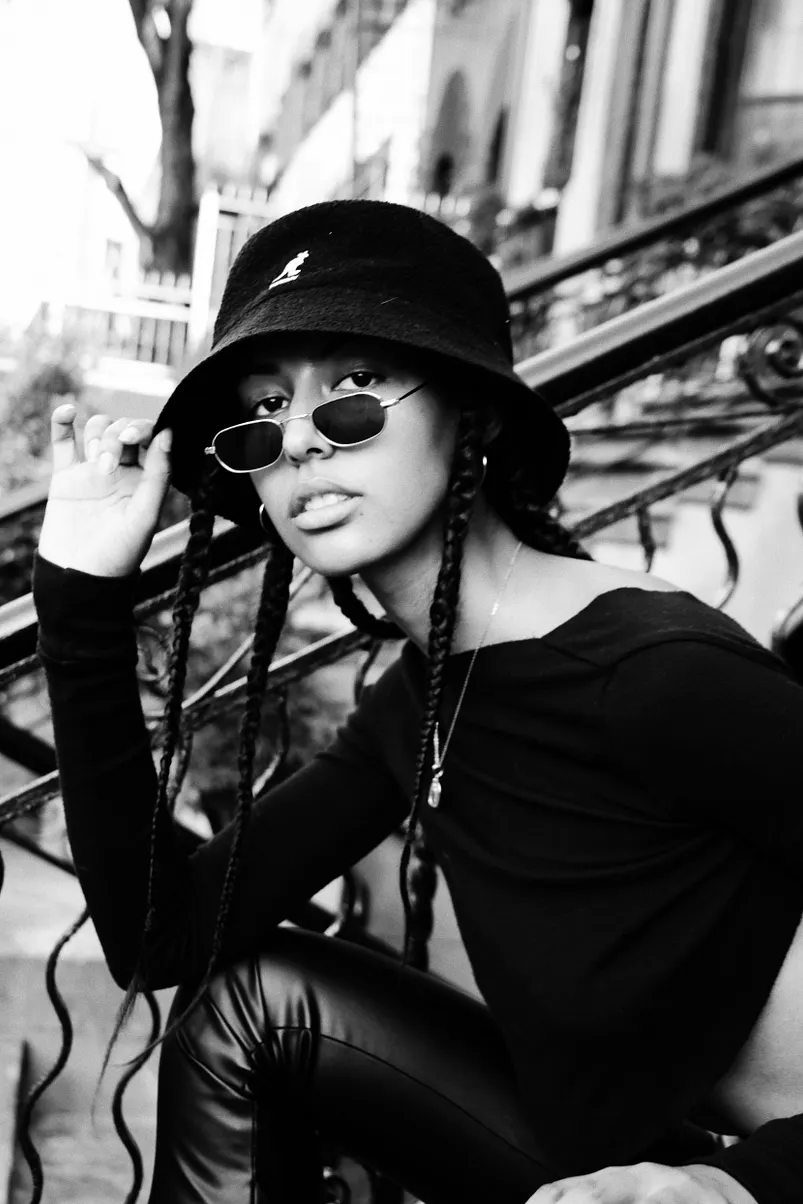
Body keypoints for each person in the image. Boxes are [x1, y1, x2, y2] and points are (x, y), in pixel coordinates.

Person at [33, 199, 803, 1204]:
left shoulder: (655, 674)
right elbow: (160, 935)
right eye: (264, 408)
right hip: (612, 1156)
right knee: (248, 1002)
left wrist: (737, 1187)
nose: (302, 437)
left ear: (471, 416)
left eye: (355, 386)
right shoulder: (423, 700)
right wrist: (80, 596)